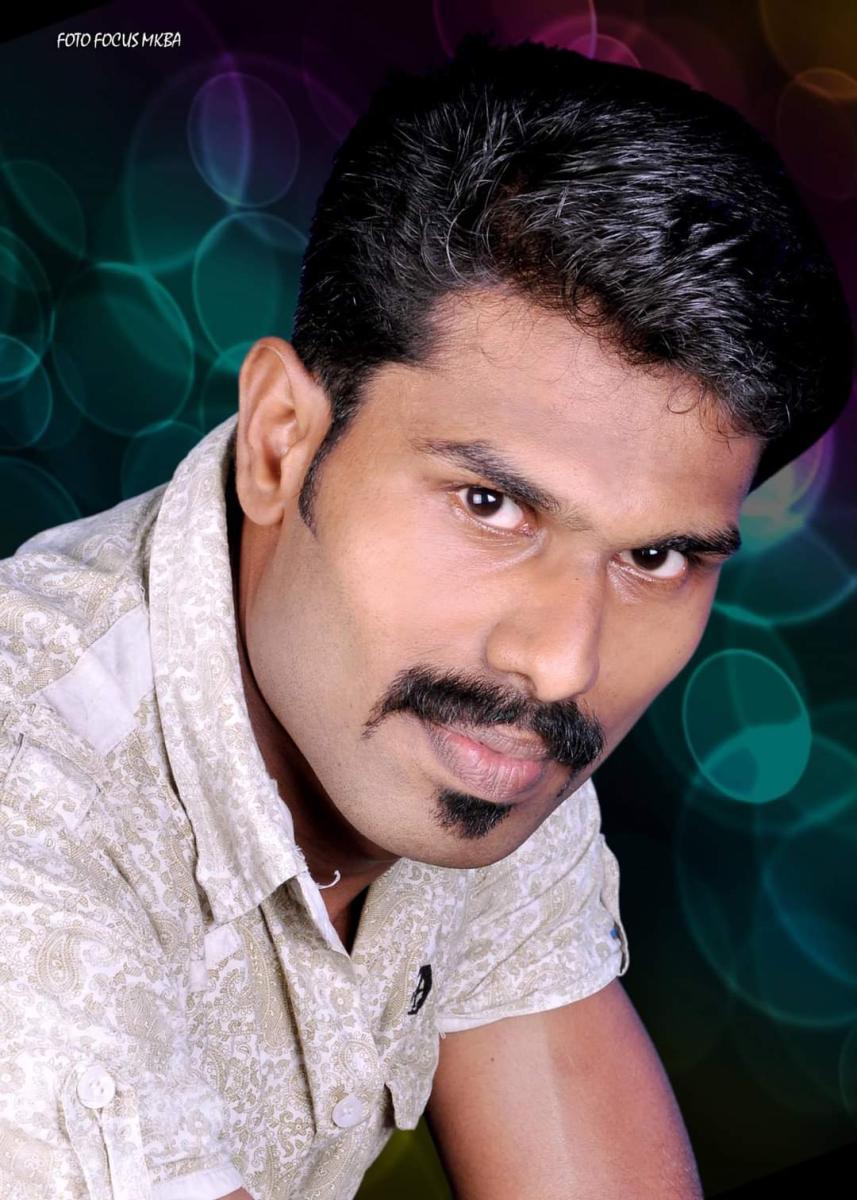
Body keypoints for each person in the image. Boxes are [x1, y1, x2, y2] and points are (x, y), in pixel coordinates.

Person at [0, 31, 852, 1200]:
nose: (560, 663)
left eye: (653, 556)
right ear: (280, 442)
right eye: (489, 505)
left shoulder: (456, 719)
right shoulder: (32, 810)